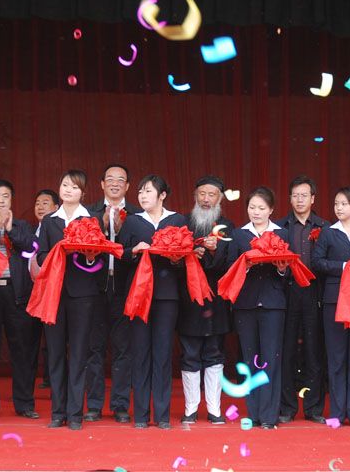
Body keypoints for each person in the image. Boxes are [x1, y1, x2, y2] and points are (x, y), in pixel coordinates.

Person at [119, 174, 188, 429]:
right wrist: (133, 252)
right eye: (140, 192)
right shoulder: (133, 221)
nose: (142, 195)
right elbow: (120, 253)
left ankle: (161, 415)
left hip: (167, 295)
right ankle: (140, 415)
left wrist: (176, 260)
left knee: (163, 353)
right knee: (140, 353)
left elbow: (186, 260)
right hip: (139, 294)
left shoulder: (177, 220)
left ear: (162, 195)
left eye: (148, 191)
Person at [35, 170, 100, 430]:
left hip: (82, 294)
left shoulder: (91, 219)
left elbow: (98, 260)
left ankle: (75, 414)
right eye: (64, 185)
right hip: (54, 293)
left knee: (79, 354)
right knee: (55, 353)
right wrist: (59, 252)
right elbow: (40, 256)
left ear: (83, 192)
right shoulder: (49, 221)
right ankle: (57, 412)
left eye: (74, 187)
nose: (68, 190)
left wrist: (89, 256)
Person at [0, 179, 41, 420]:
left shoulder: (22, 225)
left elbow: (30, 249)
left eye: (6, 196)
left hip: (17, 293)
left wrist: (10, 228)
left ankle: (24, 404)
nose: (2, 200)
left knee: (22, 351)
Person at [227, 186, 289, 429]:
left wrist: (282, 269)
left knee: (271, 359)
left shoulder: (281, 233)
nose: (256, 212)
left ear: (271, 210)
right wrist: (246, 266)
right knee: (250, 359)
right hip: (246, 303)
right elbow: (230, 269)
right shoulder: (239, 235)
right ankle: (253, 414)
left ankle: (269, 416)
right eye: (252, 207)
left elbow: (288, 274)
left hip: (273, 304)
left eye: (261, 208)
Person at [312, 186, 350, 428]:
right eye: (336, 203)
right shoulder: (328, 233)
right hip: (334, 301)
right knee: (336, 356)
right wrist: (345, 266)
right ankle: (337, 412)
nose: (339, 208)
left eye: (344, 204)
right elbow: (317, 262)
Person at [84, 164, 141, 423]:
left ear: (128, 186)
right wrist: (102, 226)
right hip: (95, 288)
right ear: (102, 184)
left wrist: (120, 232)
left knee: (123, 349)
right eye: (110, 179)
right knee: (93, 348)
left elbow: (138, 253)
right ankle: (94, 405)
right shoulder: (89, 213)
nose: (115, 183)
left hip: (123, 288)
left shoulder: (137, 215)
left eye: (121, 180)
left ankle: (120, 405)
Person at [178, 176, 232, 424]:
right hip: (188, 300)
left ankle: (214, 409)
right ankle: (190, 408)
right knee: (189, 353)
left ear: (219, 198)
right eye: (202, 194)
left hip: (216, 300)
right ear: (195, 196)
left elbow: (229, 264)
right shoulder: (182, 224)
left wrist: (213, 250)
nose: (206, 199)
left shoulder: (227, 226)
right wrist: (189, 254)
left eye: (212, 194)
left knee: (214, 353)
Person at [276, 176, 327, 424]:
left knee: (313, 350)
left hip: (315, 292)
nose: (299, 200)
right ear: (289, 198)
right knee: (286, 351)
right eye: (295, 195)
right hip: (287, 291)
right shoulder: (279, 227)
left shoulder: (325, 228)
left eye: (304, 195)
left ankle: (314, 408)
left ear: (313, 199)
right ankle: (287, 407)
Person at [32, 189, 59, 390]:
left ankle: (54, 379)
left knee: (54, 338)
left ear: (56, 208)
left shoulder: (57, 230)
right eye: (37, 203)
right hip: (31, 292)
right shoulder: (30, 232)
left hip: (52, 290)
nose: (40, 207)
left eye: (45, 203)